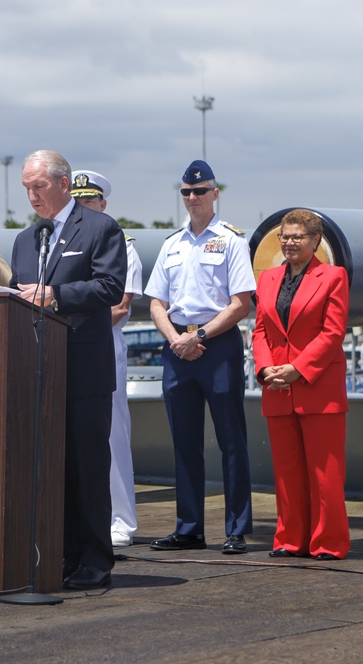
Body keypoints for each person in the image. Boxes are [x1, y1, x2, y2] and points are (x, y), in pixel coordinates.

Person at [9, 150, 127, 590]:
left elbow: (110, 286)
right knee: (51, 469)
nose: (32, 195)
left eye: (38, 186)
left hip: (83, 372)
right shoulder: (26, 239)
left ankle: (96, 559)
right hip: (38, 372)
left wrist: (54, 294)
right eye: (26, 188)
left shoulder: (100, 228)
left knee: (87, 468)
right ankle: (60, 553)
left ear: (64, 183)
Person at [145, 159, 256, 555]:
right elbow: (157, 301)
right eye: (187, 192)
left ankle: (236, 529)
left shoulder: (231, 240)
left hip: (217, 345)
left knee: (231, 440)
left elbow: (241, 302)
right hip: (177, 348)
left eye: (200, 191)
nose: (193, 198)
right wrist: (177, 339)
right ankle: (188, 527)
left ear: (215, 194)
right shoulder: (171, 244)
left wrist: (199, 336)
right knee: (184, 442)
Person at [252, 209, 350, 560]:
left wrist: (297, 368)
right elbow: (260, 330)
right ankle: (290, 538)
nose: (290, 242)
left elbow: (333, 332)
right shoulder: (267, 279)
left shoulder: (333, 276)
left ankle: (329, 542)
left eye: (298, 237)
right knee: (286, 471)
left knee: (325, 473)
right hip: (277, 386)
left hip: (317, 386)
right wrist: (266, 370)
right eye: (285, 236)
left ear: (315, 241)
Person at [71, 169, 143, 548]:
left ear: (103, 204)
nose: (84, 206)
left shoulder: (120, 244)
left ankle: (121, 520)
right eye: (78, 200)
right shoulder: (64, 242)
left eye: (90, 200)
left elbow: (120, 305)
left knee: (111, 436)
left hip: (102, 345)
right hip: (64, 346)